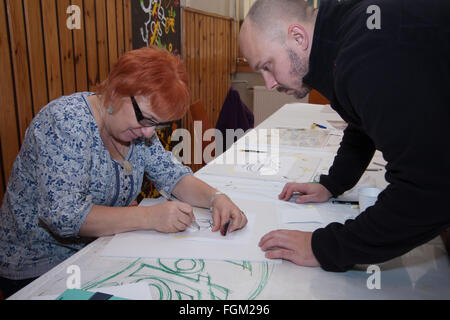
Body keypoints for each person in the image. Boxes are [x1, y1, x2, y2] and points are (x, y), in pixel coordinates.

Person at [0, 46, 247, 298]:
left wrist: (217, 198)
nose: (150, 133)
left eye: (157, 124)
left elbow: (172, 175)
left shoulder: (137, 130)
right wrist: (149, 218)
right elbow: (65, 216)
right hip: (40, 266)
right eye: (147, 120)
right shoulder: (66, 123)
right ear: (116, 91)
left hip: (100, 249)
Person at [239, 0, 450, 271]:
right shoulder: (345, 34)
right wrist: (332, 184)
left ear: (298, 37)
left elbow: (428, 188)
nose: (269, 84)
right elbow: (361, 121)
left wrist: (325, 247)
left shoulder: (368, 52)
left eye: (268, 66)